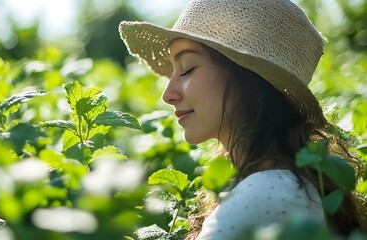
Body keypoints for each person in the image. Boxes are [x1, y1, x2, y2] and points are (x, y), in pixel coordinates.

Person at [119, 0, 366, 239]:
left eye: (187, 68)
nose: (167, 94)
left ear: (246, 79)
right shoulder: (283, 183)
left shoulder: (264, 191)